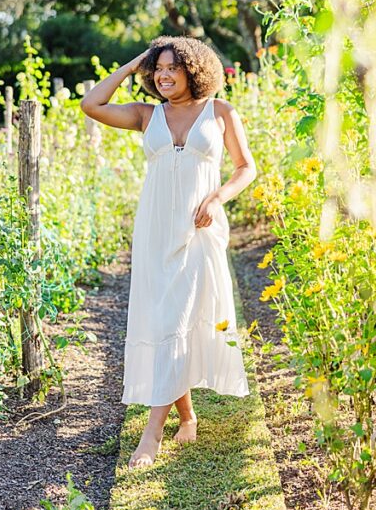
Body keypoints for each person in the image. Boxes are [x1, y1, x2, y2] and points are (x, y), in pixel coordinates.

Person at [81, 36, 255, 469]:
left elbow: (245, 167)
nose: (163, 75)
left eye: (172, 68)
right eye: (157, 68)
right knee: (164, 321)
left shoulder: (220, 112)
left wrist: (217, 199)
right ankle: (188, 415)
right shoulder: (146, 115)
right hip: (155, 230)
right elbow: (92, 104)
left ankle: (151, 433)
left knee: (177, 316)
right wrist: (132, 64)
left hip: (199, 229)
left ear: (193, 70)